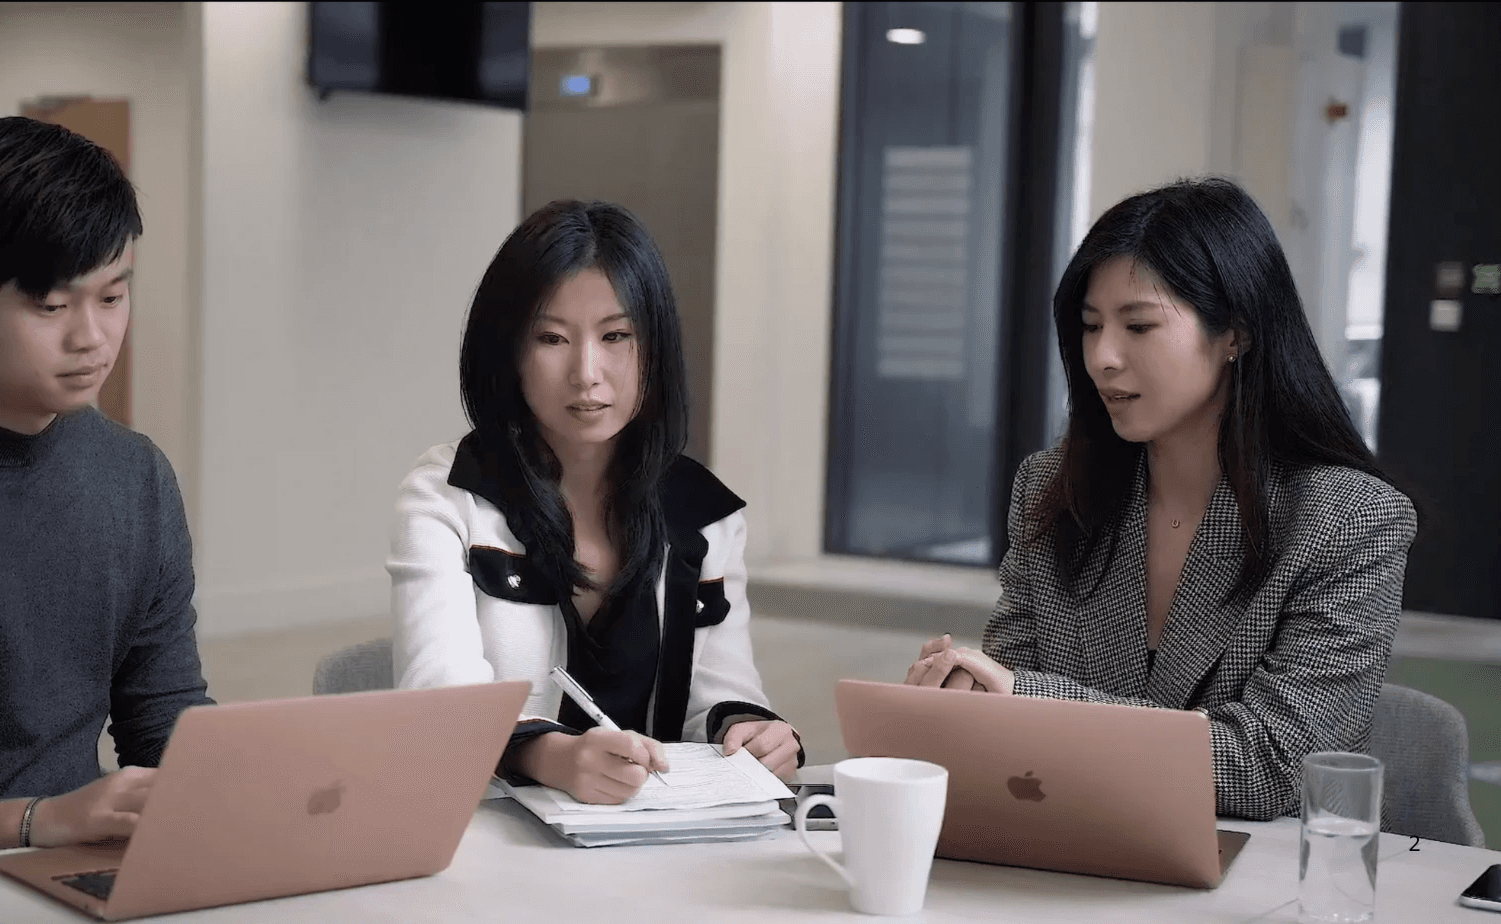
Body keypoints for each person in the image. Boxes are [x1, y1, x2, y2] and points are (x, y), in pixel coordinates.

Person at [904, 178, 1416, 822]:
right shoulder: (1051, 489)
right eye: (1090, 326)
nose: (1103, 357)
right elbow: (1010, 712)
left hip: (1253, 867)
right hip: (1069, 845)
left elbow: (1272, 769)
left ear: (1235, 333)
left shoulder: (1349, 520)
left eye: (1139, 326)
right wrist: (964, 699)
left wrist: (1025, 700)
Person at [0, 117, 213, 854]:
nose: (92, 338)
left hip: (70, 866)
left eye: (112, 297)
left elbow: (162, 718)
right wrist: (35, 821)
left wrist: (243, 791)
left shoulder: (136, 478)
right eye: (51, 306)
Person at [389, 200, 801, 804]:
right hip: (493, 830)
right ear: (508, 351)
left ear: (653, 348)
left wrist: (754, 732)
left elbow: (720, 694)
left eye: (615, 336)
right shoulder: (448, 499)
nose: (586, 372)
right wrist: (548, 756)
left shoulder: (704, 514)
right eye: (551, 338)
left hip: (663, 836)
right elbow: (440, 702)